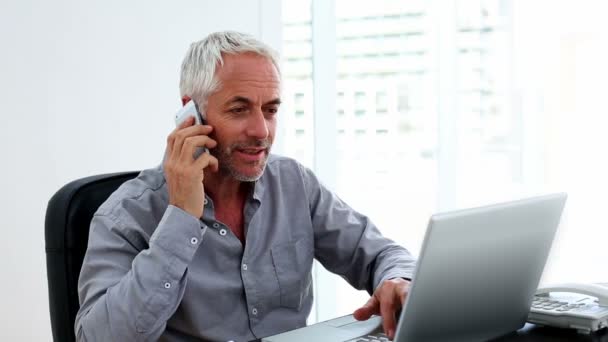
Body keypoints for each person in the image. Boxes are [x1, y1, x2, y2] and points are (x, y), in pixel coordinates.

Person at [75, 31, 416, 342]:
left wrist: (398, 280)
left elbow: (379, 254)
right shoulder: (126, 215)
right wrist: (181, 216)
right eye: (239, 110)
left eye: (270, 110)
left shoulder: (293, 184)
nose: (261, 131)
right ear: (191, 113)